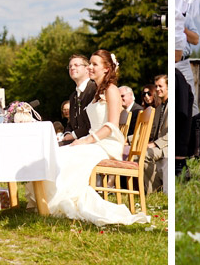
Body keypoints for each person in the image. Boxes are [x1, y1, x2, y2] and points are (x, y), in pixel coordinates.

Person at [29, 49, 149, 225]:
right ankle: (46, 201)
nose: (90, 68)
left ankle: (57, 201)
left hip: (106, 145)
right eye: (90, 64)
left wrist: (87, 140)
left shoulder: (112, 90)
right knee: (59, 154)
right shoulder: (96, 92)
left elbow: (111, 126)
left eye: (94, 64)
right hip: (95, 142)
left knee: (67, 155)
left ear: (107, 69)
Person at [62, 54, 97, 144]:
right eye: (70, 66)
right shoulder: (73, 96)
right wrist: (67, 134)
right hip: (75, 140)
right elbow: (71, 122)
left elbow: (92, 122)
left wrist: (73, 135)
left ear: (87, 69)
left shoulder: (94, 90)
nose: (72, 68)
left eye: (76, 65)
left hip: (91, 140)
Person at [144, 74, 168, 194]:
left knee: (143, 155)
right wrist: (129, 140)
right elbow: (150, 131)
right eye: (156, 86)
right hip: (158, 144)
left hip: (167, 146)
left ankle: (153, 191)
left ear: (168, 87)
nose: (157, 89)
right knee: (138, 153)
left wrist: (155, 144)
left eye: (160, 86)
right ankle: (151, 190)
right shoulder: (159, 108)